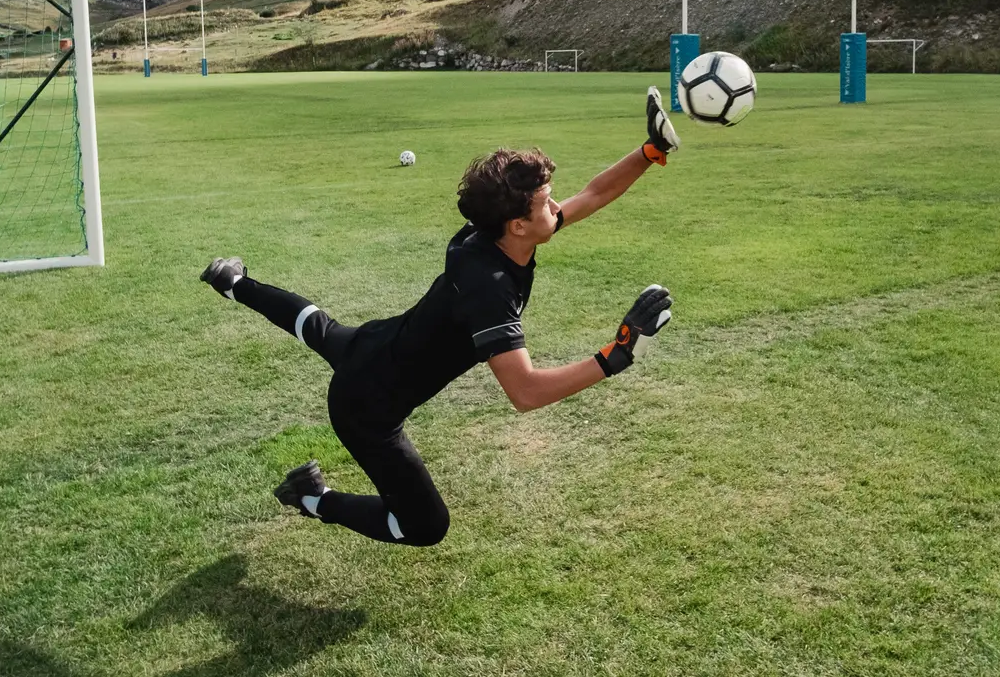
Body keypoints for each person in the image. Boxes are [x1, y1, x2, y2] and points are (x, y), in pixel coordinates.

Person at [199, 88, 683, 547]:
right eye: (546, 203)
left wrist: (648, 152)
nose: (557, 207)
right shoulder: (489, 290)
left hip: (375, 343)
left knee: (316, 326)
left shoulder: (486, 234)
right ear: (517, 225)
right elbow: (526, 391)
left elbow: (593, 195)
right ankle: (311, 498)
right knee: (425, 526)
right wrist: (617, 355)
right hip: (367, 408)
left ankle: (234, 281)